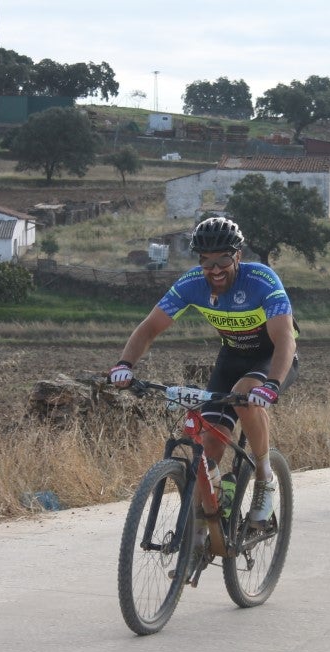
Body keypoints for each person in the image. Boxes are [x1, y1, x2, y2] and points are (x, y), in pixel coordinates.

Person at [110, 216, 298, 528]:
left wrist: (273, 384)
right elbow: (149, 328)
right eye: (206, 261)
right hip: (232, 357)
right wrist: (125, 364)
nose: (214, 269)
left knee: (245, 396)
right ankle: (201, 533)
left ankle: (264, 476)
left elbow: (285, 340)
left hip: (273, 357)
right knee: (208, 447)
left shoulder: (261, 280)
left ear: (237, 256)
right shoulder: (192, 284)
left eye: (223, 259)